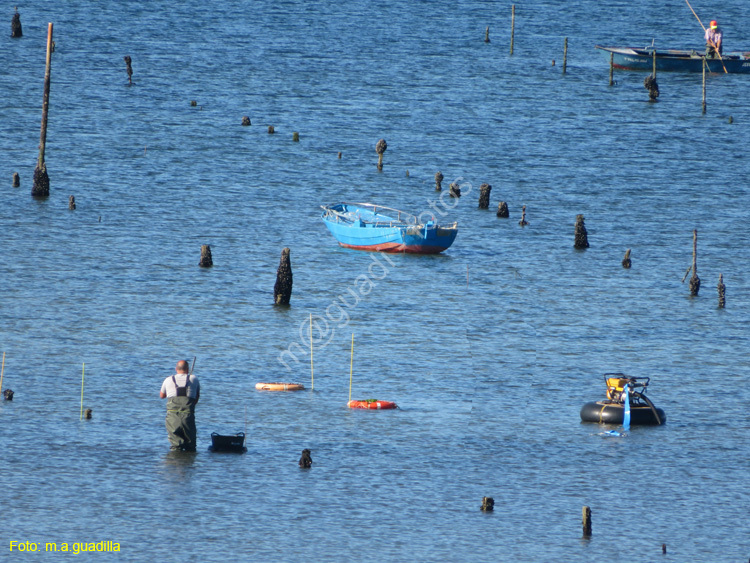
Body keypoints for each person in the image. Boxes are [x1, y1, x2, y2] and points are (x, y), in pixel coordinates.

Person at [160, 360, 200, 451]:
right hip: (188, 415)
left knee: (175, 446)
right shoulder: (194, 379)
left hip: (172, 416)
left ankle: (175, 463)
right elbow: (196, 398)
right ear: (187, 369)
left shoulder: (168, 379)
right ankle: (190, 464)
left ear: (176, 369)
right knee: (191, 446)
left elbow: (162, 396)